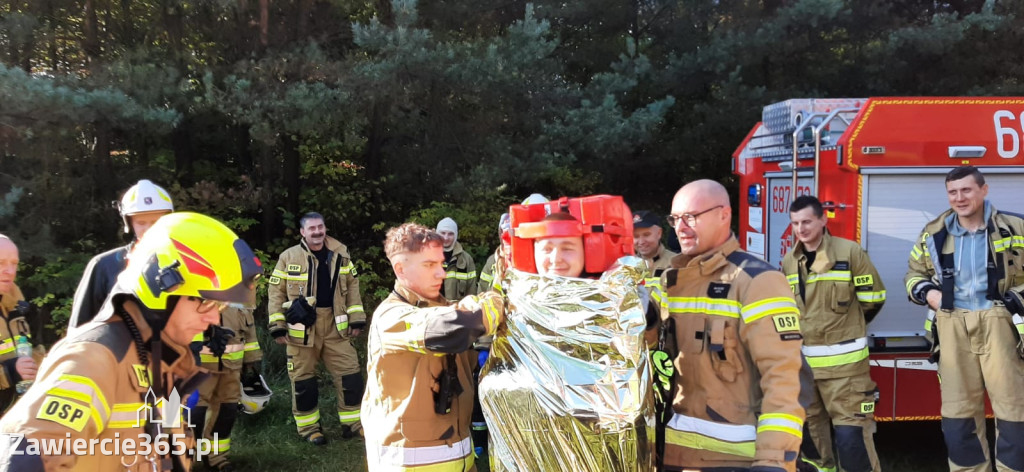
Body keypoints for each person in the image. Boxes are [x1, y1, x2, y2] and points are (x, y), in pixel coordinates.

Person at [0, 212, 262, 471]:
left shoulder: (166, 362)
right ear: (159, 291)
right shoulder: (93, 358)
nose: (215, 318)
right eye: (207, 302)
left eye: (221, 305)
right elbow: (22, 458)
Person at [480, 196, 656, 471]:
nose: (555, 259)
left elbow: (623, 389)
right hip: (529, 444)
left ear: (588, 249)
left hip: (600, 449)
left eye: (567, 248)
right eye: (547, 248)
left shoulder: (617, 301)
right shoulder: (513, 300)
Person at [659, 179, 807, 472]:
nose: (681, 227)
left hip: (736, 459)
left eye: (691, 217)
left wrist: (773, 460)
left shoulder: (757, 281)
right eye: (675, 219)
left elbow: (784, 378)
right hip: (675, 455)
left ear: (724, 214)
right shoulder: (670, 282)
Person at [905, 165, 1024, 472]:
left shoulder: (1015, 227)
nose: (959, 198)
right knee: (958, 417)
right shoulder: (934, 232)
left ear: (984, 190)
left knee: (1014, 413)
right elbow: (914, 273)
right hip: (951, 324)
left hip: (1001, 324)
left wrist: (1015, 300)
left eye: (967, 190)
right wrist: (927, 293)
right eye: (953, 192)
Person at [362, 222, 504, 472]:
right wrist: (496, 300)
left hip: (460, 457)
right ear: (400, 269)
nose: (442, 273)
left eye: (440, 263)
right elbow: (452, 328)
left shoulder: (442, 307)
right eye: (429, 265)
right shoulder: (391, 317)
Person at [782, 195, 885, 472]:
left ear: (823, 219)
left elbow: (873, 298)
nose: (801, 229)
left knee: (853, 443)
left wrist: (847, 326)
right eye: (795, 223)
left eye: (806, 221)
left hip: (847, 372)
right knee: (813, 447)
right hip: (805, 373)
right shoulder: (789, 262)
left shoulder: (849, 252)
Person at [267, 212, 365, 444]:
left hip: (335, 326)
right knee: (303, 382)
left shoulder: (341, 253)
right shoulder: (288, 257)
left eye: (320, 227)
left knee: (350, 376)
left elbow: (352, 286)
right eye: (312, 228)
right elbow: (275, 293)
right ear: (302, 232)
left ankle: (353, 423)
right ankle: (310, 429)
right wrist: (278, 326)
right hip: (301, 330)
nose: (317, 232)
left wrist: (357, 318)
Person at [68, 179, 174, 329]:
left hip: (177, 351)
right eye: (141, 223)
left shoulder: (186, 262)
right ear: (129, 223)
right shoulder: (104, 265)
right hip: (120, 351)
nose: (149, 229)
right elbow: (80, 325)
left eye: (155, 222)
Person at [192, 305, 263, 471]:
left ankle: (216, 457)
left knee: (227, 410)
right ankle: (184, 458)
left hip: (232, 366)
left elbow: (249, 330)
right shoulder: (194, 289)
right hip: (198, 366)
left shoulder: (237, 293)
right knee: (194, 413)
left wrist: (250, 362)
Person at [0, 235, 38, 412]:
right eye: (1, 263)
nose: (9, 270)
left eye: (14, 263)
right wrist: (10, 371)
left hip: (18, 417)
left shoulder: (20, 307)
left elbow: (37, 351)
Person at [437, 217, 478, 300]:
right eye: (443, 233)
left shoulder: (466, 260)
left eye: (450, 234)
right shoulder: (427, 257)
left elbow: (471, 291)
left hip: (456, 311)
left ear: (456, 235)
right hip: (431, 310)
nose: (446, 238)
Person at [633, 210, 678, 279]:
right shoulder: (626, 266)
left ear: (659, 233)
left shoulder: (677, 263)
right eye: (636, 236)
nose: (641, 242)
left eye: (646, 235)